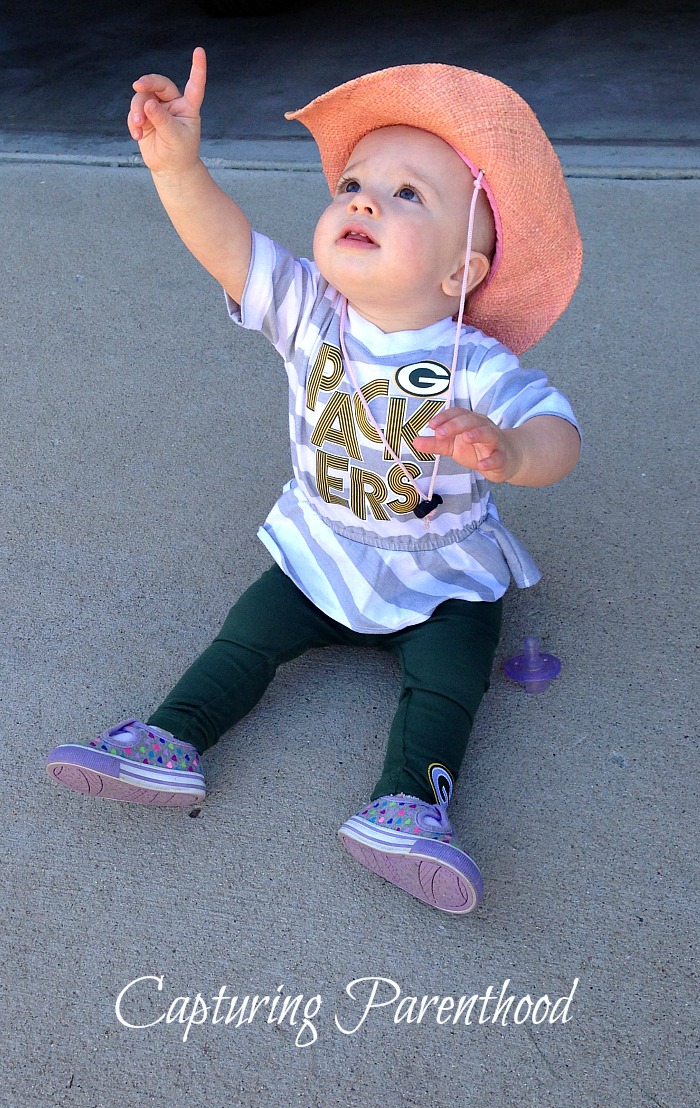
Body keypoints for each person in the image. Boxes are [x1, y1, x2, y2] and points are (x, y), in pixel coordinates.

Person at [45, 49, 582, 914]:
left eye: (410, 195)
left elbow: (559, 434)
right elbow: (226, 244)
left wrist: (511, 451)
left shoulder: (476, 362)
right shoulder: (308, 311)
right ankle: (170, 741)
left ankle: (409, 806)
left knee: (450, 678)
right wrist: (179, 166)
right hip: (322, 548)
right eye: (355, 184)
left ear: (461, 274)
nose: (365, 198)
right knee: (246, 635)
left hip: (442, 576)